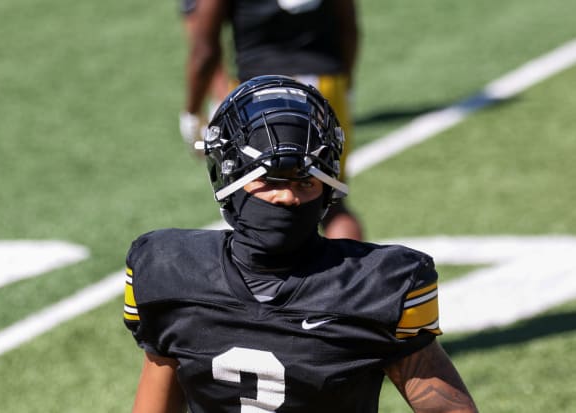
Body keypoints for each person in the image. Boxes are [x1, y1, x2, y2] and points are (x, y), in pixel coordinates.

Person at [124, 76, 478, 413]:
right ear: (228, 176)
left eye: (306, 181)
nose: (288, 197)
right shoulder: (172, 273)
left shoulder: (374, 288)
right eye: (270, 178)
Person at [182, 0, 363, 240]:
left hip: (256, 96)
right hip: (324, 86)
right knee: (332, 200)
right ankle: (351, 274)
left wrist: (192, 112)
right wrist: (344, 86)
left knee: (253, 200)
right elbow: (349, 28)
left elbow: (204, 49)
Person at [178, 0, 230, 152]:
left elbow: (205, 52)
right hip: (302, 93)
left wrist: (192, 113)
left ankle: (221, 101)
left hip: (256, 103)